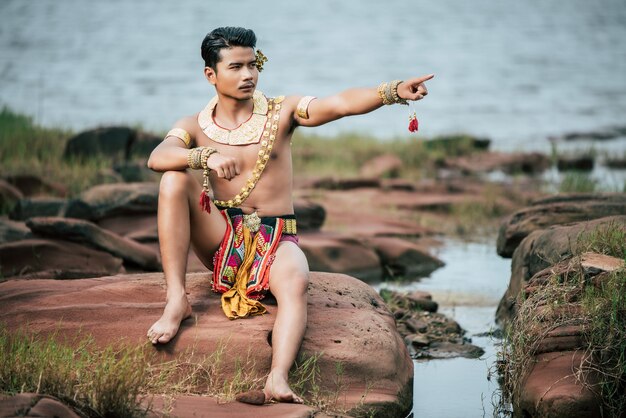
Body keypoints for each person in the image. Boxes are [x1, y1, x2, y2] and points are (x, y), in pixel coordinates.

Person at [146, 26, 433, 404]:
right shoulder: (192, 126)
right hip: (221, 238)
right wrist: (205, 156)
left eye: (253, 65)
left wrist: (391, 92)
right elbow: (157, 157)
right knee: (172, 182)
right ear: (210, 74)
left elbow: (339, 103)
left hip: (276, 237)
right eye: (236, 67)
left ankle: (277, 378)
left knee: (295, 282)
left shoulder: (282, 112)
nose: (248, 75)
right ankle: (176, 300)